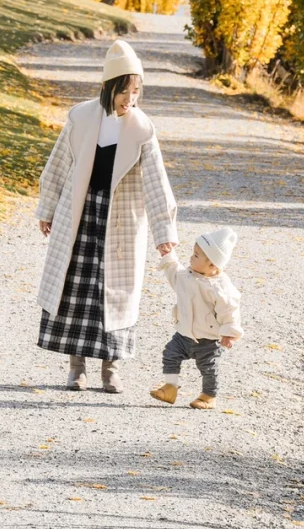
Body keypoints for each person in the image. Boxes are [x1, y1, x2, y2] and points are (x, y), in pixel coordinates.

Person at [36, 39, 177, 393]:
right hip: (80, 214)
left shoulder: (143, 130)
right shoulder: (81, 117)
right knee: (75, 288)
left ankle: (110, 368)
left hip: (121, 221)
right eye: (125, 91)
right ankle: (76, 367)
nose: (130, 99)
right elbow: (58, 166)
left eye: (136, 92)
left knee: (114, 293)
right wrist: (47, 208)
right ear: (109, 87)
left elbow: (157, 184)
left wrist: (165, 232)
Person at [149, 227, 242, 410]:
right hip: (184, 334)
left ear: (213, 265)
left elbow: (229, 311)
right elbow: (174, 272)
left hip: (208, 338)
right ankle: (170, 387)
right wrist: (168, 256)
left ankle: (208, 396)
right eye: (193, 253)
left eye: (196, 256)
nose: (191, 257)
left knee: (208, 367)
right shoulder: (186, 276)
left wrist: (229, 333)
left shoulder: (220, 288)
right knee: (170, 354)